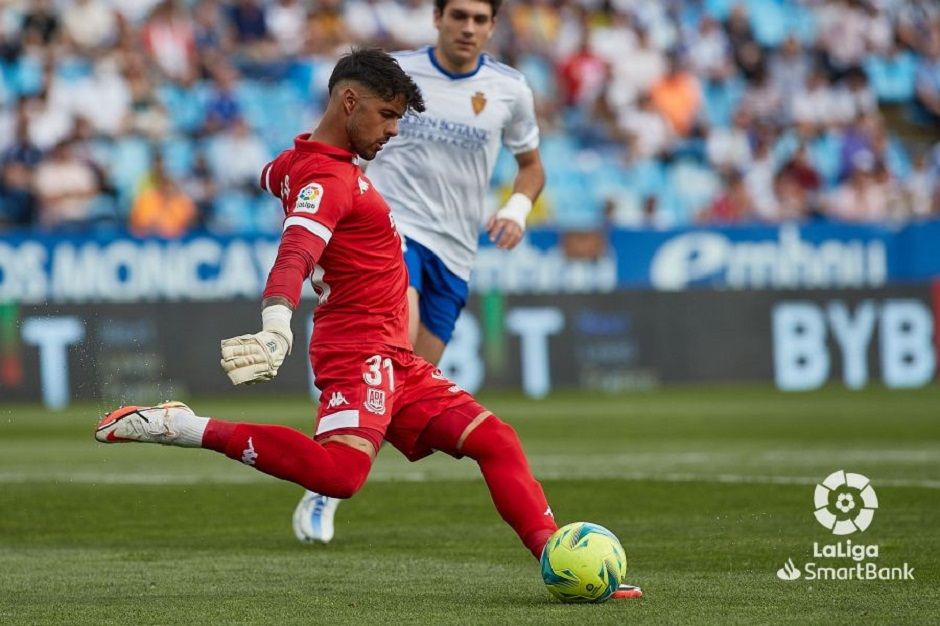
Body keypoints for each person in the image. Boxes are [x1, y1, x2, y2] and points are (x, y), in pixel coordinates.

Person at [95, 47, 640, 601]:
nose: (394, 130)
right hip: (358, 349)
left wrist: (275, 175)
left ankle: (557, 557)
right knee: (341, 476)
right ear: (349, 101)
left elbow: (275, 175)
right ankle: (181, 426)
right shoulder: (328, 182)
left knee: (496, 439)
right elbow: (295, 253)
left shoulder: (303, 167)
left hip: (395, 353)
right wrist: (277, 324)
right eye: (387, 115)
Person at [294, 0, 548, 548]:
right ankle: (325, 487)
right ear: (437, 18)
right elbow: (343, 148)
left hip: (457, 254)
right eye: (459, 15)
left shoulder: (510, 90)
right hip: (395, 236)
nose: (468, 27)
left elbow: (531, 168)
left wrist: (515, 210)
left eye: (480, 19)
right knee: (390, 348)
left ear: (492, 26)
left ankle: (331, 464)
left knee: (400, 385)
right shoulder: (398, 79)